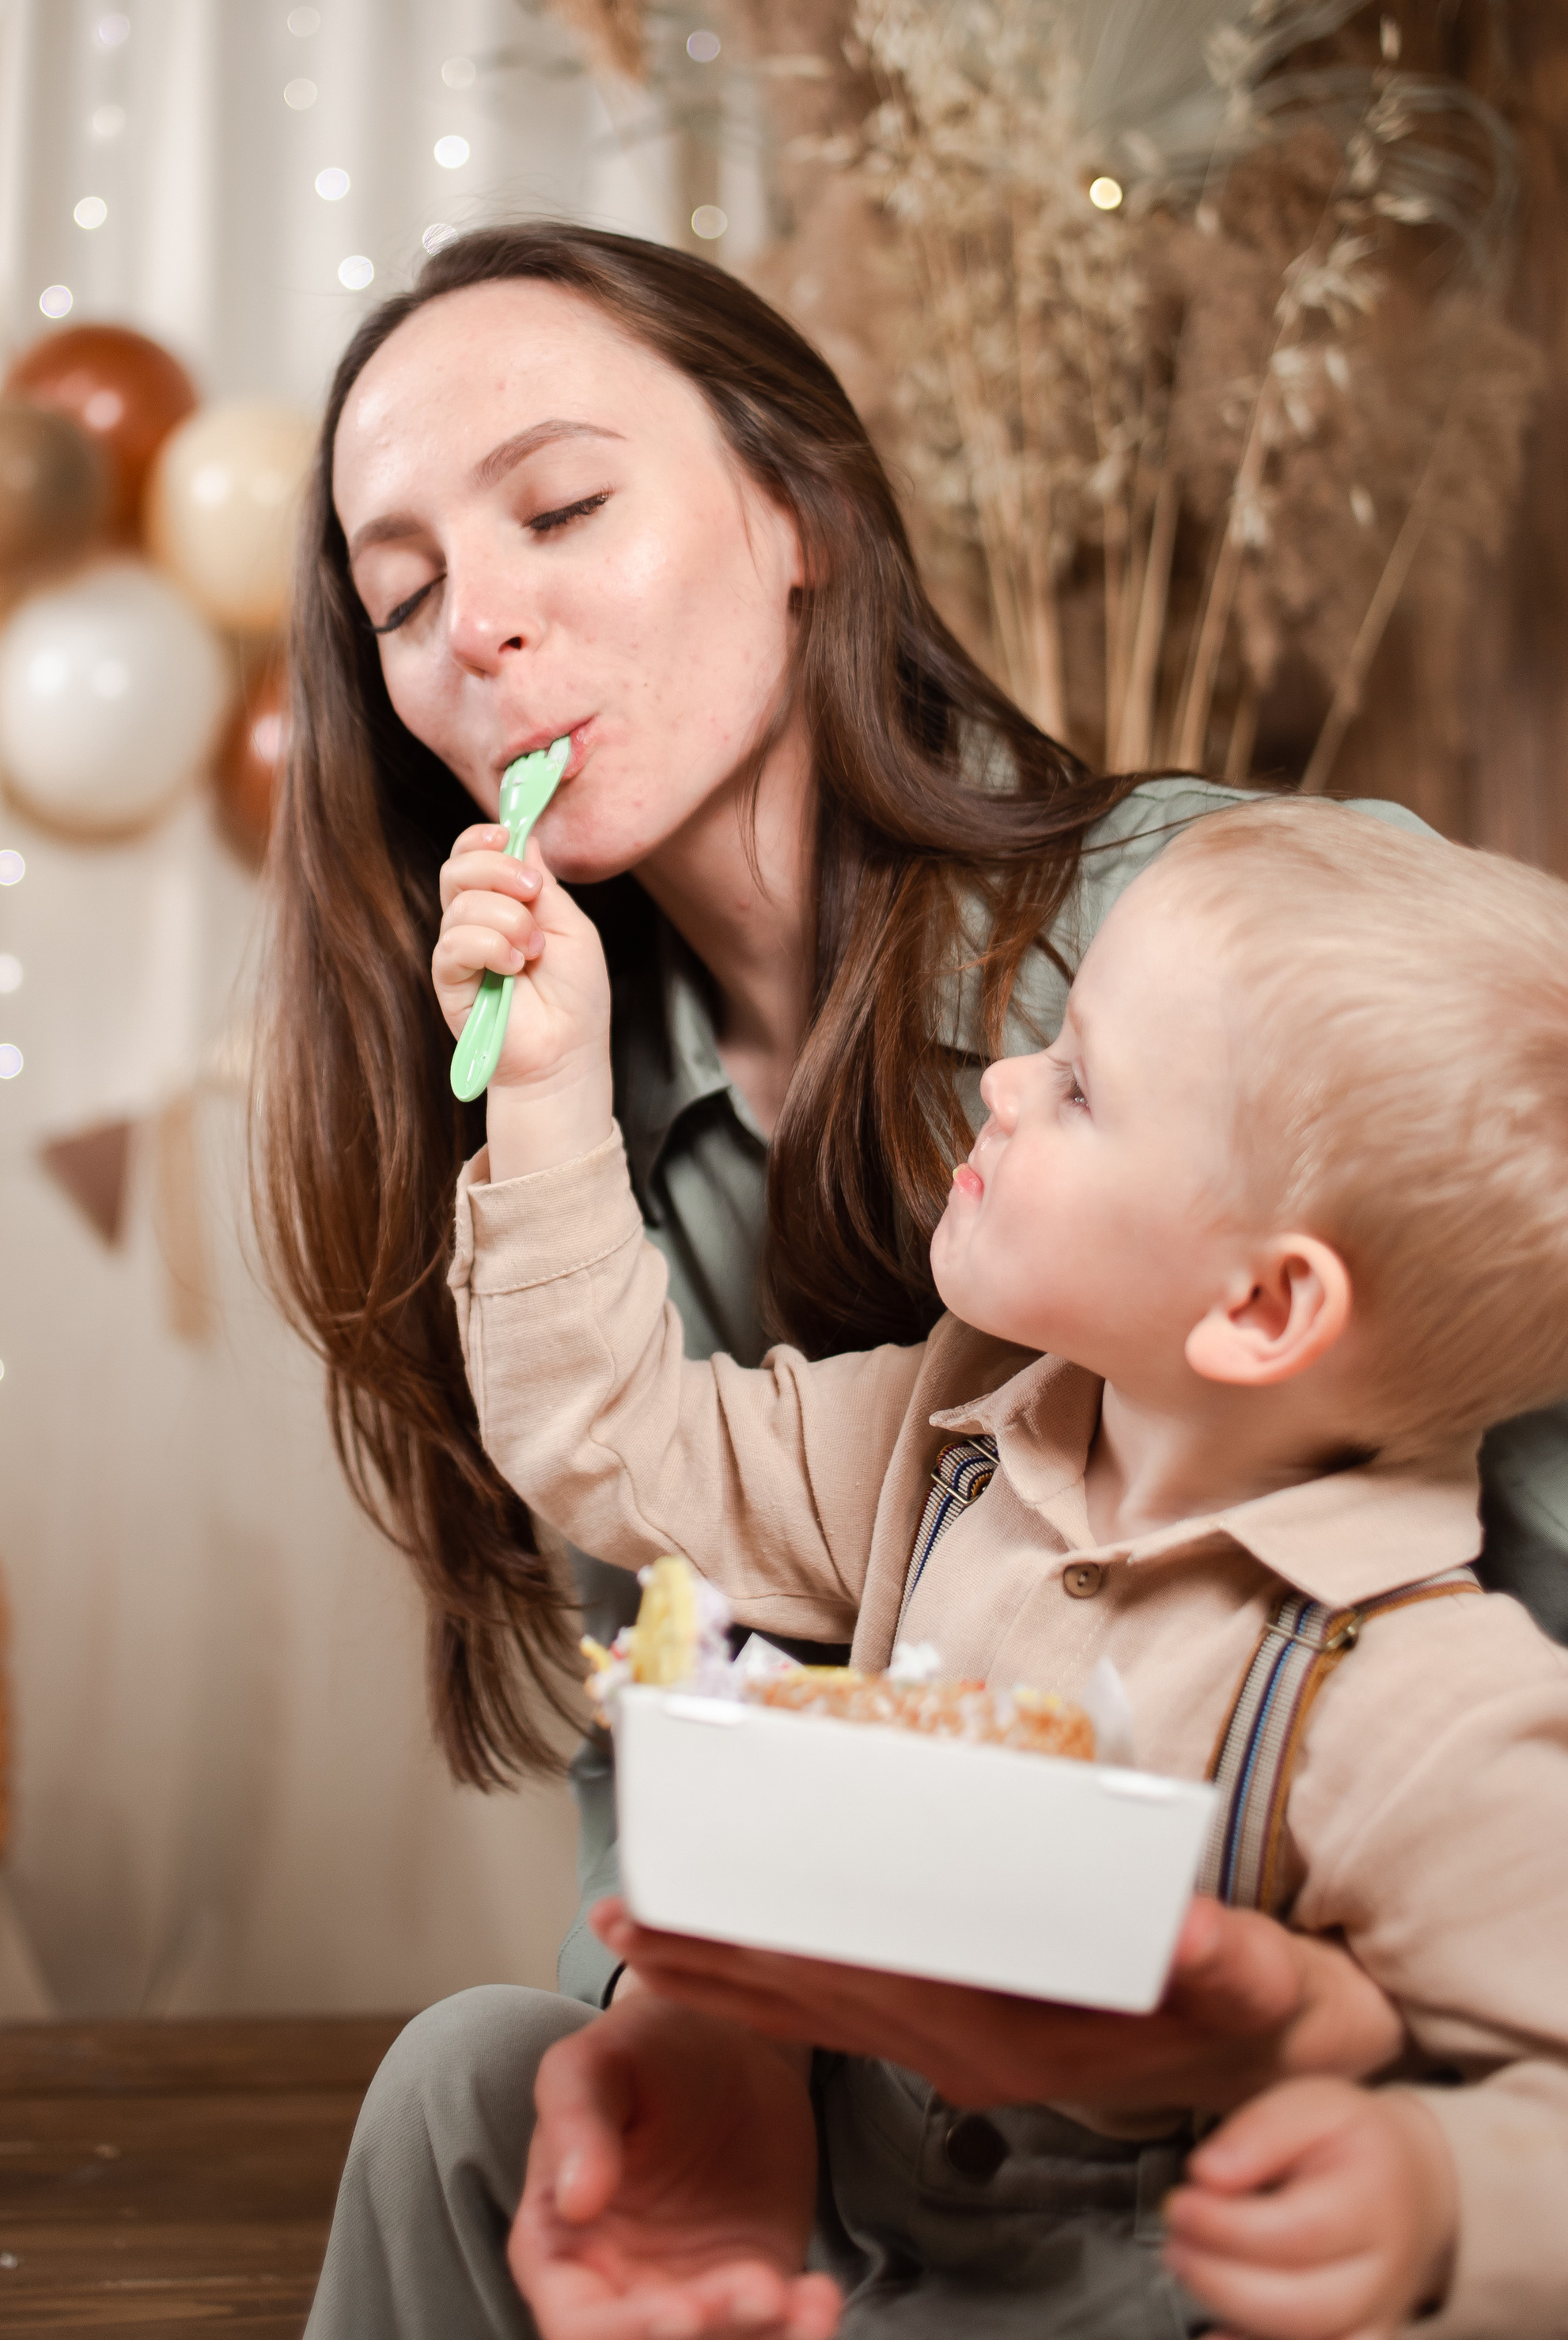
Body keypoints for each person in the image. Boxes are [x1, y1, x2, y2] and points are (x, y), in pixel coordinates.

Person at [258, 223, 1557, 2334]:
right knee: (467, 2088)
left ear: (798, 513)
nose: (473, 627)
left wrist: (1318, 2049)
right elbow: (645, 1548)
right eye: (399, 598)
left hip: (1258, 2186)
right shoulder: (934, 1403)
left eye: (564, 504)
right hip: (881, 2165)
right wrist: (718, 2049)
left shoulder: (1229, 961)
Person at [444, 797, 1568, 2334]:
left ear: (1258, 1310)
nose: (1002, 1083)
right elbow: (615, 1444)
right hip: (831, 2207)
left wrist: (1433, 2188)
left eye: (1082, 1085)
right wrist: (544, 1092)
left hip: (1115, 2292)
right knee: (459, 2086)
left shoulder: (1426, 1697)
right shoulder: (951, 1424)